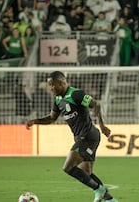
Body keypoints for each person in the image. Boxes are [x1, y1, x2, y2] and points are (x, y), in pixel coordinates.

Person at [26, 71, 118, 202]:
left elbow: (95, 104)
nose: (51, 88)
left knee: (68, 167)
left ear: (61, 83)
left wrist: (102, 125)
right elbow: (51, 118)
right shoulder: (58, 100)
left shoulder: (75, 94)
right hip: (82, 137)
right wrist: (35, 121)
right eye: (49, 85)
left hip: (88, 136)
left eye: (53, 85)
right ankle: (110, 199)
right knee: (86, 172)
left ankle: (99, 190)